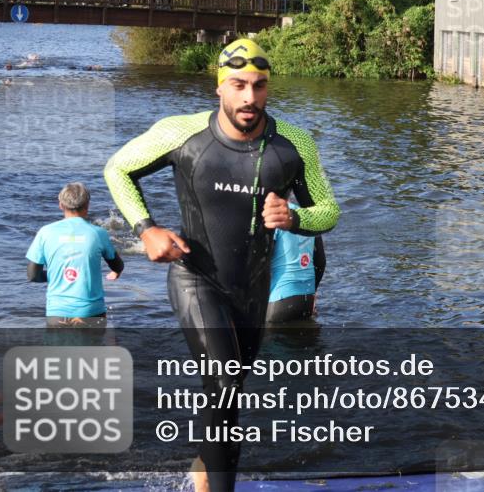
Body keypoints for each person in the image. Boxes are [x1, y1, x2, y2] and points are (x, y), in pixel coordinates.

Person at [104, 38, 340, 492]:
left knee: (225, 397)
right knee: (226, 380)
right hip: (196, 278)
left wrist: (295, 217)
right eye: (238, 85)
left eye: (259, 86)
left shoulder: (295, 146)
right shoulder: (182, 133)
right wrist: (146, 229)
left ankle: (200, 476)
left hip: (253, 292)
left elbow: (329, 209)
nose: (249, 98)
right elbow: (118, 168)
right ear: (220, 88)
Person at [26, 182, 124, 328]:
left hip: (57, 313)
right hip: (91, 312)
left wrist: (54, 274)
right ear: (87, 206)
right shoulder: (98, 233)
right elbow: (118, 264)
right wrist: (116, 271)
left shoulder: (45, 233)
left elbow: (33, 275)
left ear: (61, 205)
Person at [265, 204, 327, 323]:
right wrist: (313, 293)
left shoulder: (271, 215)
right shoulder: (307, 215)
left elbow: (263, 264)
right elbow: (321, 262)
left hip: (278, 301)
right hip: (306, 300)